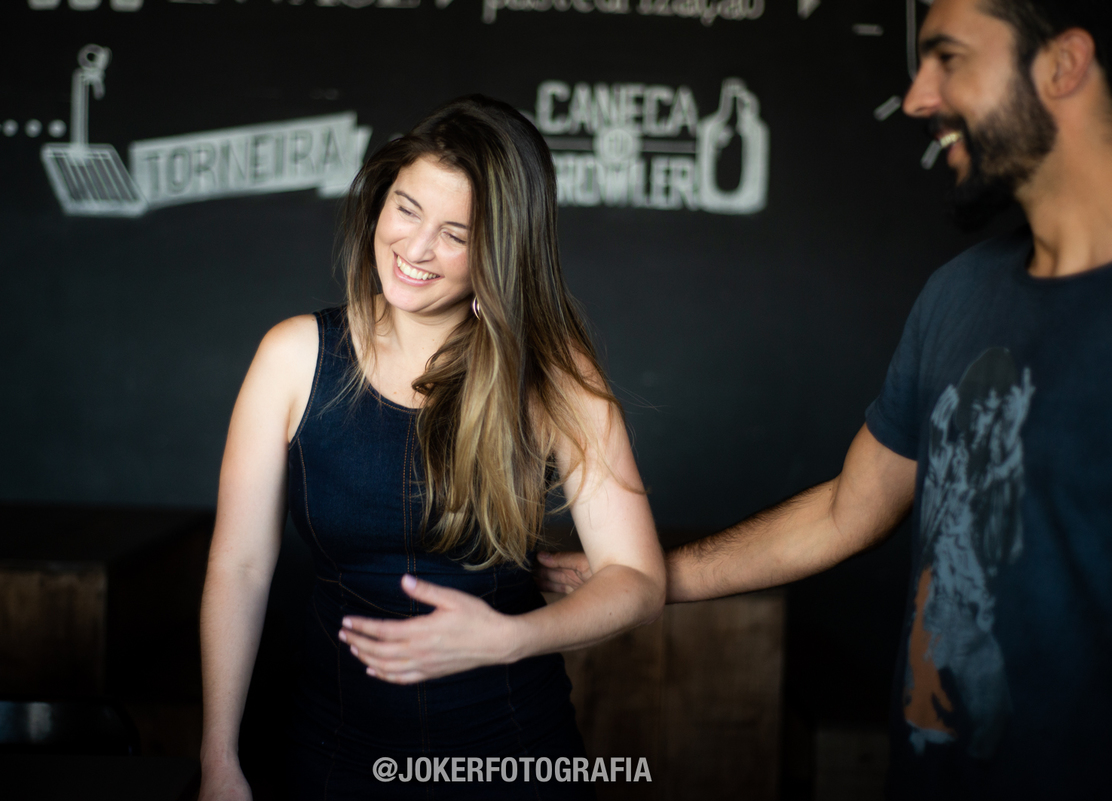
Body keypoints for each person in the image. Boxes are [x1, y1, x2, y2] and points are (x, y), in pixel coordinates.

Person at [535, 0, 1112, 797]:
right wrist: (641, 575)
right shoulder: (960, 293)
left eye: (947, 57)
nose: (915, 97)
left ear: (1063, 62)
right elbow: (849, 508)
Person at [197, 95, 665, 800]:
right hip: (332, 756)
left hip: (512, 758)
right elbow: (239, 567)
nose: (415, 249)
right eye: (407, 209)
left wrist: (509, 637)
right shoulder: (292, 356)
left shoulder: (552, 374)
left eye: (455, 233)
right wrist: (219, 757)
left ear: (501, 252)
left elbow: (636, 579)